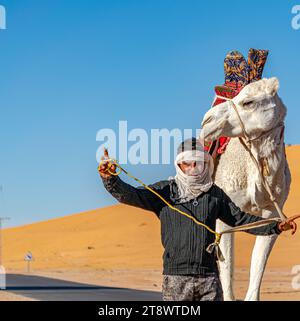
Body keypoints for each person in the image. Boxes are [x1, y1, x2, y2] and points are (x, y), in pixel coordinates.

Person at [98, 137, 297, 301]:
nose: (193, 168)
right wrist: (111, 179)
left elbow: (241, 219)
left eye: (198, 163)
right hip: (176, 280)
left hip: (209, 279)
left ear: (205, 164)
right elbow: (131, 195)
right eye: (187, 163)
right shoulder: (165, 191)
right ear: (179, 164)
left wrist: (276, 226)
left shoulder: (214, 194)